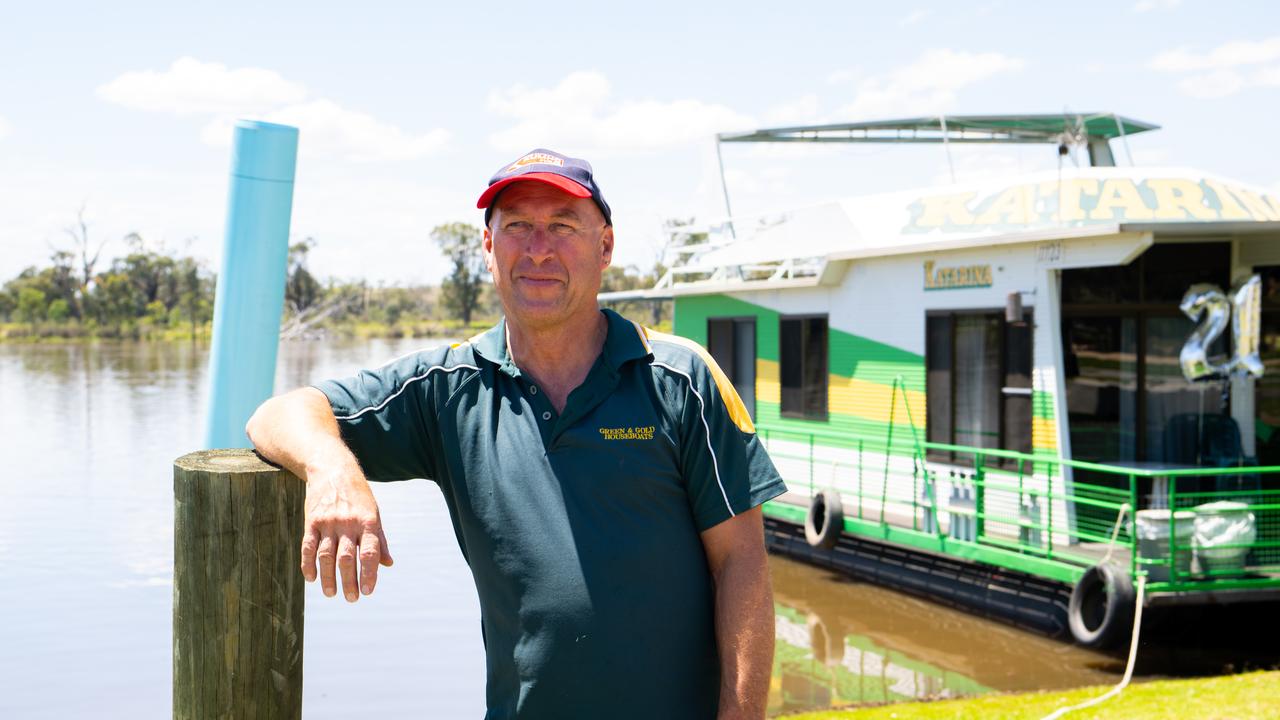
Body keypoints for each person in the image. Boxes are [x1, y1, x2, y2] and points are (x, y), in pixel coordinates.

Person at [246, 148, 787, 719]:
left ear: (605, 247)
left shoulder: (681, 380)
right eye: (518, 227)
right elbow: (277, 414)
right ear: (487, 249)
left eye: (562, 226)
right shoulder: (448, 389)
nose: (538, 249)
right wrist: (331, 468)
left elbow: (742, 562)